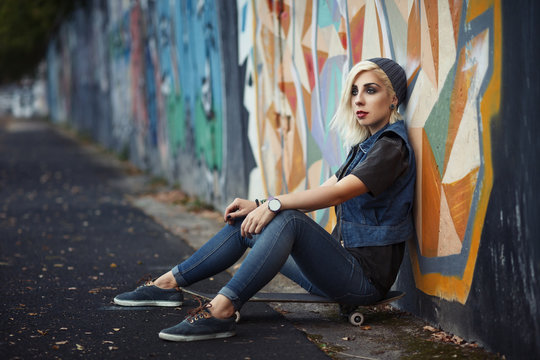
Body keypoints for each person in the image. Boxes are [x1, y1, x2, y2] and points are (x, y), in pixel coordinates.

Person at [114, 57, 416, 342]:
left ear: (393, 99)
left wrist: (274, 205)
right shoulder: (365, 146)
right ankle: (167, 284)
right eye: (354, 91)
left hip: (362, 283)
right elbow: (318, 194)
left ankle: (221, 310)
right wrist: (260, 206)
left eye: (370, 90)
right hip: (336, 272)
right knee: (249, 221)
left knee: (288, 219)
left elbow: (337, 193)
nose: (358, 100)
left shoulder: (391, 148)